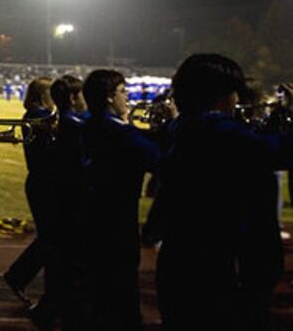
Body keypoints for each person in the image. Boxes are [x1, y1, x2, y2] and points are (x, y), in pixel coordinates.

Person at [153, 54, 293, 330]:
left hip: (178, 258)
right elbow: (280, 151)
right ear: (220, 93)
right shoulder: (220, 130)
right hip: (218, 265)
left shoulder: (180, 127)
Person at [81, 69, 160, 331]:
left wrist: (127, 121)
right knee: (122, 282)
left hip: (94, 213)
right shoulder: (119, 132)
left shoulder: (91, 125)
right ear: (107, 97)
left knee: (98, 282)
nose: (128, 96)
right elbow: (156, 158)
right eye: (122, 91)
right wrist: (173, 124)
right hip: (118, 217)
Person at [3, 77, 58, 328]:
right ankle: (18, 276)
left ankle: (18, 276)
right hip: (44, 182)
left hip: (42, 181)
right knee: (51, 238)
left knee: (50, 237)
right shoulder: (38, 116)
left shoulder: (39, 114)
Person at [48, 75, 90, 330]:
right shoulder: (74, 125)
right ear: (74, 98)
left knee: (60, 259)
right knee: (73, 262)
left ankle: (53, 308)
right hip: (74, 199)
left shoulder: (64, 122)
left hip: (62, 196)